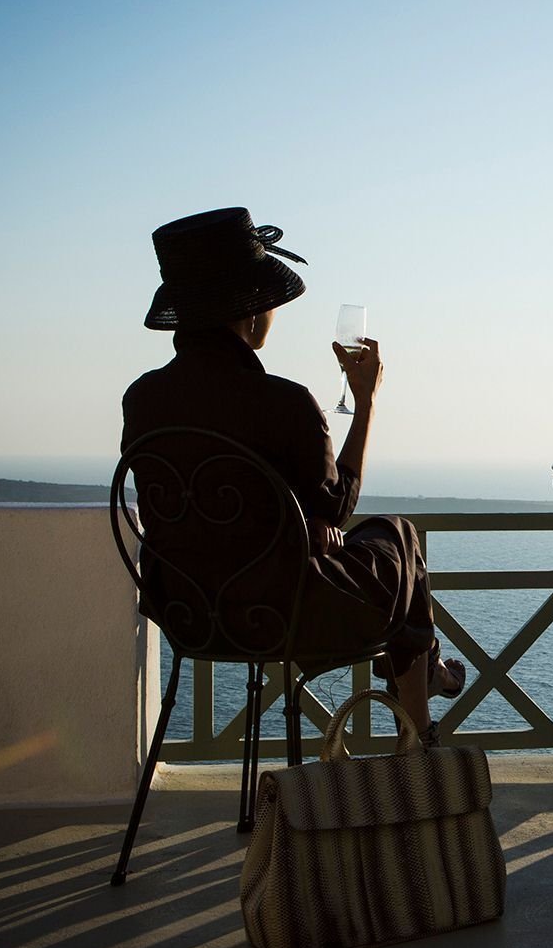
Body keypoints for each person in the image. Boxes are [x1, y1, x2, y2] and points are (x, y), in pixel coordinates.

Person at [121, 206, 463, 743]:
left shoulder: (141, 399)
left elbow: (200, 504)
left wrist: (297, 525)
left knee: (386, 554)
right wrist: (366, 403)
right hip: (281, 612)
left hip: (187, 611)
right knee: (398, 535)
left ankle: (424, 677)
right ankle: (417, 728)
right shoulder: (285, 403)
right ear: (252, 310)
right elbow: (337, 507)